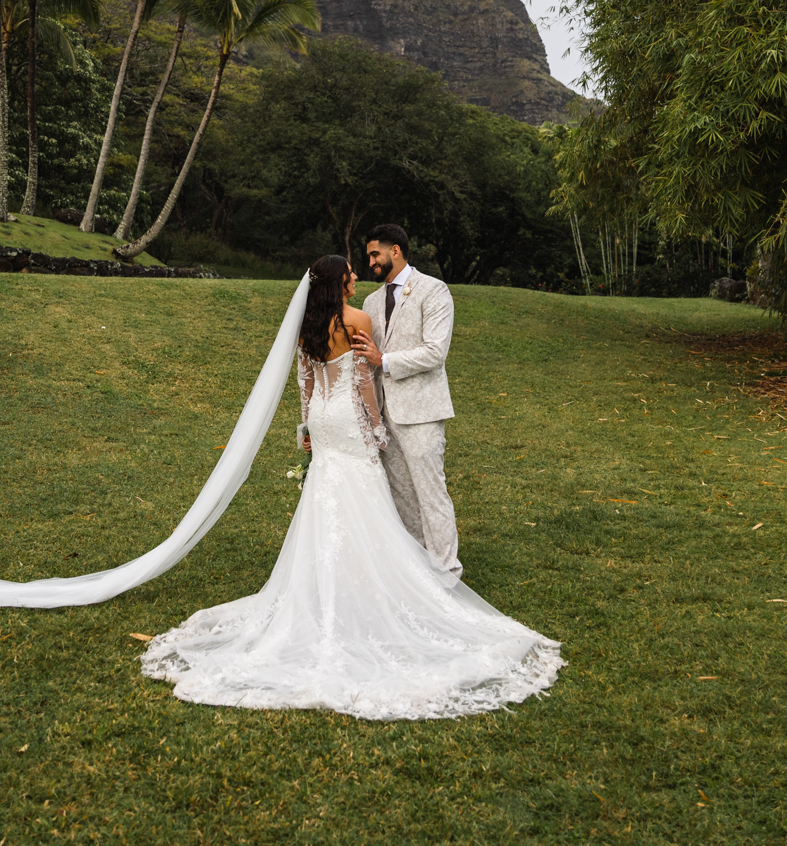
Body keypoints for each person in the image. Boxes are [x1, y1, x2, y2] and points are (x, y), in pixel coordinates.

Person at [137, 254, 562, 720]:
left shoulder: (306, 325)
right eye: (351, 274)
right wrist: (377, 429)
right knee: (363, 492)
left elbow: (304, 380)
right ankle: (371, 585)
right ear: (339, 281)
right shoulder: (357, 319)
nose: (358, 276)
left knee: (325, 494)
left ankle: (322, 587)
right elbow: (362, 379)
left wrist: (305, 424)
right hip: (348, 419)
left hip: (320, 417)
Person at [350, 224, 460, 580]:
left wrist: (384, 360)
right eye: (369, 257)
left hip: (422, 412)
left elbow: (434, 352)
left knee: (431, 493)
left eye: (374, 254)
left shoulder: (433, 290)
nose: (370, 262)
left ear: (395, 251)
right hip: (384, 415)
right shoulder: (369, 302)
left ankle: (447, 572)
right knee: (402, 497)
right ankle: (419, 573)